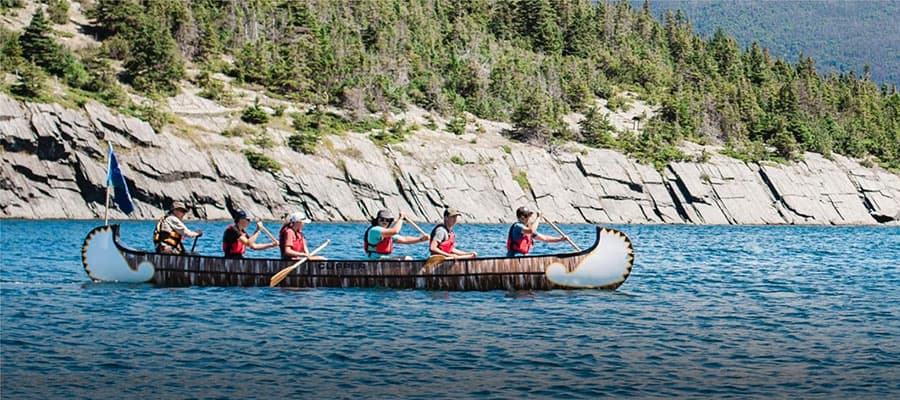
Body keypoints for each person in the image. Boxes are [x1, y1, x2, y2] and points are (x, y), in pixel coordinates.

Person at [364, 209, 429, 260]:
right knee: (406, 259)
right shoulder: (375, 230)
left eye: (387, 220)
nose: (384, 221)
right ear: (377, 220)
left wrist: (421, 239)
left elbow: (404, 239)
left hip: (384, 259)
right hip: (375, 260)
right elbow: (395, 231)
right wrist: (401, 218)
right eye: (382, 219)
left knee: (408, 258)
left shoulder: (387, 233)